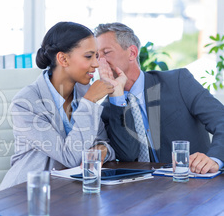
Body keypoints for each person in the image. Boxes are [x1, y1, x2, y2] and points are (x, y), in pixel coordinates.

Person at [0, 22, 116, 190]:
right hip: (27, 195)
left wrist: (103, 149)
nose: (96, 64)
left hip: (70, 193)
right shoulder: (26, 103)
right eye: (89, 56)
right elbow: (70, 157)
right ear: (63, 59)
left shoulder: (84, 93)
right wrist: (89, 102)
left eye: (96, 56)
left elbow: (104, 143)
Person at [95, 22, 224, 173]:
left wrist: (215, 159)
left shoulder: (178, 81)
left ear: (132, 53)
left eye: (106, 52)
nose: (100, 61)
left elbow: (221, 120)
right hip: (142, 190)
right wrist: (117, 97)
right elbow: (128, 154)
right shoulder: (110, 107)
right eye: (97, 55)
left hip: (192, 182)